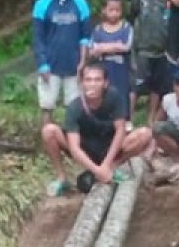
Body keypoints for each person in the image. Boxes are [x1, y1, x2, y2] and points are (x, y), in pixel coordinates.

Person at [41, 60, 154, 196]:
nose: (92, 84)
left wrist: (106, 165)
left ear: (105, 83)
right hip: (85, 149)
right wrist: (97, 171)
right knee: (49, 131)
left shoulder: (114, 98)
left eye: (97, 80)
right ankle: (62, 178)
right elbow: (74, 148)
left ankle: (113, 168)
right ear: (81, 83)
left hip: (110, 148)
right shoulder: (74, 108)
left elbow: (120, 130)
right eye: (88, 80)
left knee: (145, 133)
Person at [32, 0, 91, 125]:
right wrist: (42, 64)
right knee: (47, 105)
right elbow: (38, 37)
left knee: (74, 107)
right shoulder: (42, 4)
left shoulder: (80, 4)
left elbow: (85, 36)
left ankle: (72, 142)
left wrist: (83, 62)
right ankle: (48, 141)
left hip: (74, 66)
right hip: (50, 65)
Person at [128, 0, 171, 125]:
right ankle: (129, 119)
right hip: (142, 49)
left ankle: (151, 118)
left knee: (156, 87)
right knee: (135, 86)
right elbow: (132, 17)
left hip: (162, 50)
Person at [90, 0, 134, 121]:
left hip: (122, 73)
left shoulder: (126, 27)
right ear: (104, 10)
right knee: (103, 95)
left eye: (117, 10)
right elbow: (93, 50)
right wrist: (115, 45)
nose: (114, 13)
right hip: (103, 72)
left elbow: (126, 47)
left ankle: (125, 124)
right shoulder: (98, 29)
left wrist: (103, 47)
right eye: (111, 10)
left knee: (122, 97)